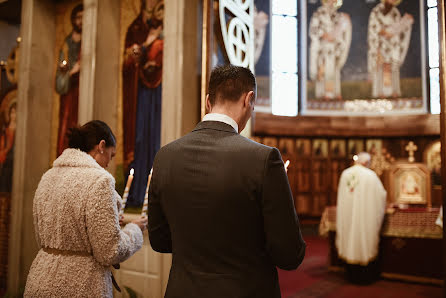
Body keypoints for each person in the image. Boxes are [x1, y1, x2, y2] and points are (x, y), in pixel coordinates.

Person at [147, 65, 306, 298]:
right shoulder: (263, 159)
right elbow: (290, 254)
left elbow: (160, 240)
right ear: (249, 99)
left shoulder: (165, 156)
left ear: (208, 101)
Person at [24, 120, 147, 297]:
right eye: (111, 156)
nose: (108, 164)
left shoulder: (48, 177)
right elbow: (111, 251)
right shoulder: (99, 181)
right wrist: (134, 229)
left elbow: (44, 237)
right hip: (79, 285)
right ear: (101, 146)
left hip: (41, 279)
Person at [122, 0, 164, 206]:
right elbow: (128, 62)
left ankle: (155, 194)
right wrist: (147, 45)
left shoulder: (166, 29)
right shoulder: (136, 29)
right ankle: (138, 193)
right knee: (140, 138)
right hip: (142, 95)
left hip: (161, 93)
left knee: (157, 138)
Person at [336, 152, 387, 284]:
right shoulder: (370, 175)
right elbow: (381, 195)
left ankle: (351, 275)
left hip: (348, 216)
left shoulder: (345, 173)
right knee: (364, 241)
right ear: (366, 163)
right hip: (365, 218)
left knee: (349, 240)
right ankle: (365, 277)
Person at [368, 0, 413, 98]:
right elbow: (374, 29)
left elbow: (399, 30)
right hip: (380, 45)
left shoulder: (395, 12)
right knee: (380, 68)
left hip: (393, 46)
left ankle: (394, 93)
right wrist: (385, 31)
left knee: (393, 69)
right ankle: (380, 94)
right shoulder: (376, 11)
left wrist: (406, 24)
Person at [309, 0, 351, 100]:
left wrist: (344, 24)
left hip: (334, 49)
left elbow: (342, 33)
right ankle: (323, 94)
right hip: (322, 48)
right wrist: (324, 35)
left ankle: (335, 93)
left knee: (334, 71)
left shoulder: (338, 16)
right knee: (323, 70)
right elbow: (313, 30)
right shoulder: (318, 14)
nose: (332, 2)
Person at [55, 4, 83, 156]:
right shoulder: (66, 44)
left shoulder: (88, 41)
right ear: (73, 20)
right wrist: (72, 72)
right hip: (69, 94)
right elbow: (59, 80)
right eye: (78, 17)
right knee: (67, 127)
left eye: (84, 17)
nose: (81, 21)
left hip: (82, 91)